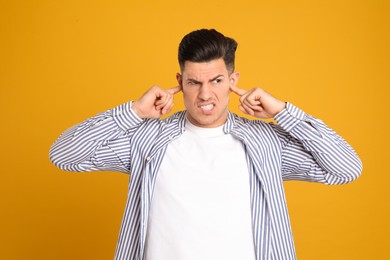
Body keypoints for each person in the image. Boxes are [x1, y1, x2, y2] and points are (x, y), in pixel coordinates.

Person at [49, 29, 362, 260]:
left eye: (216, 81)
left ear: (233, 81)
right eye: (193, 82)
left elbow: (346, 168)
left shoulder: (265, 144)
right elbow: (64, 155)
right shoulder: (148, 140)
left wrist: (282, 111)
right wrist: (132, 112)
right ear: (180, 82)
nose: (205, 95)